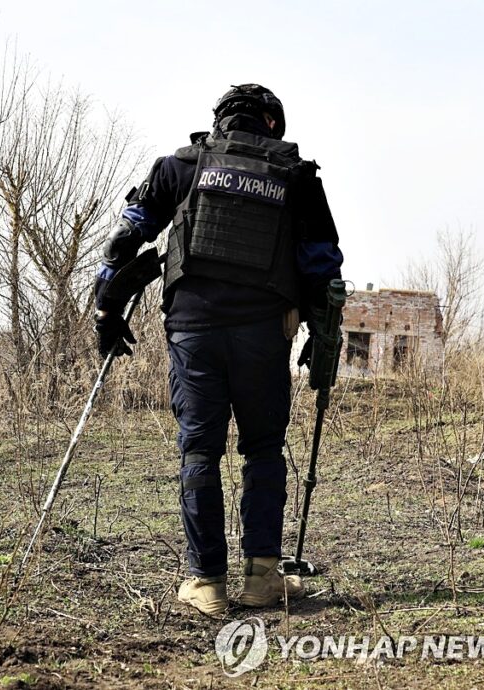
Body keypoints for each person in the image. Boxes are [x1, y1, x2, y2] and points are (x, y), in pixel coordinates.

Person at [93, 84, 343, 615]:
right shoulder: (297, 176)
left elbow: (123, 240)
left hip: (193, 331)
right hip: (264, 332)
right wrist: (323, 337)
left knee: (199, 451)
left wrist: (106, 310)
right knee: (264, 449)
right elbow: (323, 267)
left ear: (220, 120)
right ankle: (262, 578)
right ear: (271, 123)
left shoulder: (180, 167)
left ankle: (207, 583)